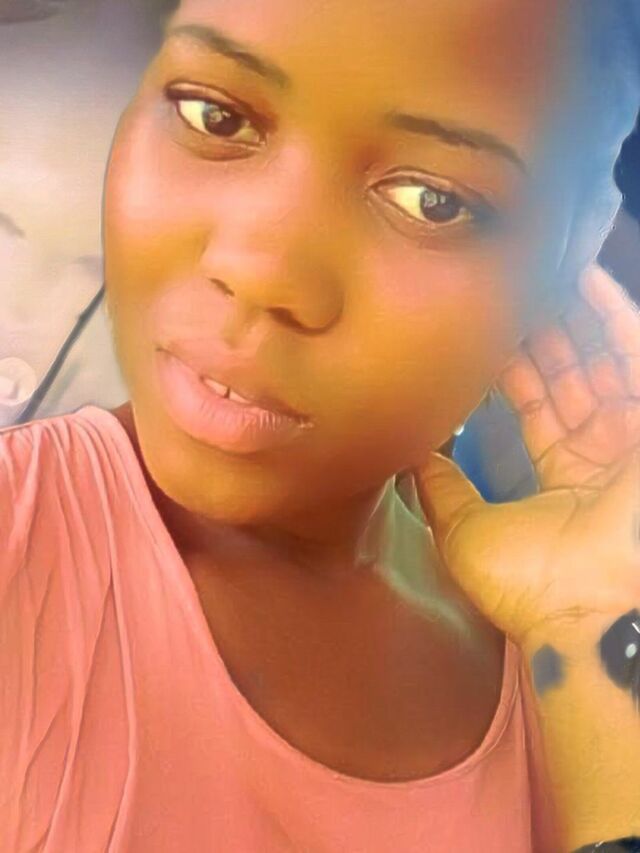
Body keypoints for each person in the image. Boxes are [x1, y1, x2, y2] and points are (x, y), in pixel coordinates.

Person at [1, 0, 640, 850]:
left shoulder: (573, 644)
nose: (261, 269)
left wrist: (594, 624)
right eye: (214, 116)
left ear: (575, 249)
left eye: (432, 200)